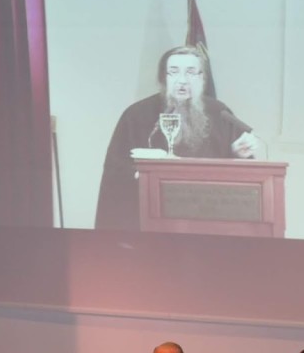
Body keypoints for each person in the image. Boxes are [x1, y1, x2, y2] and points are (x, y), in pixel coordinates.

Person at [95, 46, 260, 230]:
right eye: (173, 72)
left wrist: (237, 154)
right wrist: (142, 174)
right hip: (150, 224)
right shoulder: (136, 115)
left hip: (206, 221)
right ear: (163, 78)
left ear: (202, 78)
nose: (182, 80)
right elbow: (115, 171)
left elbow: (242, 184)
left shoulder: (220, 113)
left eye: (190, 73)